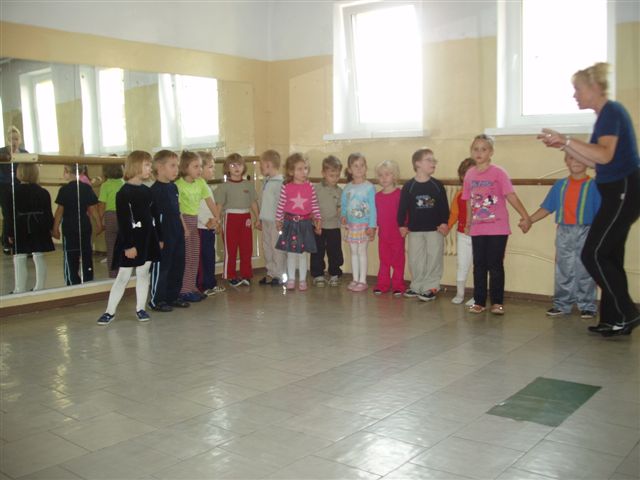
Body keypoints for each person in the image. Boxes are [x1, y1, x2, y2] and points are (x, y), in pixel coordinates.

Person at [538, 62, 640, 337]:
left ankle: (629, 312)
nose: (575, 95)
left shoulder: (611, 112)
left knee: (593, 253)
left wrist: (567, 140)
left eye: (578, 89)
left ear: (594, 88)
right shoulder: (604, 116)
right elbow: (595, 162)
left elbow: (604, 155)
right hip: (616, 190)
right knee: (610, 256)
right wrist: (562, 145)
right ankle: (614, 319)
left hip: (624, 189)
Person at [462, 134, 531, 315]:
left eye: (483, 149)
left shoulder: (499, 173)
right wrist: (468, 223)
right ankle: (479, 301)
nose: (479, 152)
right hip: (478, 228)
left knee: (495, 265)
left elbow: (511, 195)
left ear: (491, 152)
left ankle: (497, 302)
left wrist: (526, 216)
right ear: (471, 151)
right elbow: (468, 200)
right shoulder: (469, 174)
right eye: (475, 149)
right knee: (479, 265)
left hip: (497, 228)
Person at [529, 152, 600, 319]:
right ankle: (562, 304)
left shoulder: (594, 186)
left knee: (586, 268)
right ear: (566, 161)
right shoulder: (560, 185)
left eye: (581, 157)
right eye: (572, 157)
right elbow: (547, 207)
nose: (576, 161)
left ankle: (587, 305)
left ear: (588, 162)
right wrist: (529, 220)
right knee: (563, 268)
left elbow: (602, 212)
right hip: (564, 231)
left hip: (587, 230)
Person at [97, 151, 162, 325]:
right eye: (147, 165)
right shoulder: (123, 193)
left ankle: (141, 308)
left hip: (148, 239)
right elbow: (124, 221)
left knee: (143, 274)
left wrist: (160, 238)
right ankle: (109, 311)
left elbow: (155, 216)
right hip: (131, 240)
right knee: (123, 276)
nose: (150, 168)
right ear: (135, 166)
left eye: (150, 165)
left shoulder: (148, 191)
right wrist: (128, 246)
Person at [398, 148, 449, 302]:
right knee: (415, 258)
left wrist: (444, 222)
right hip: (415, 230)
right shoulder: (409, 186)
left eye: (434, 160)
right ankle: (417, 285)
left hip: (435, 230)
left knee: (434, 257)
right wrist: (401, 225)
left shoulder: (437, 185)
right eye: (429, 160)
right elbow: (402, 207)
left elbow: (444, 206)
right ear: (418, 164)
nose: (433, 163)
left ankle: (431, 286)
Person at [175, 151, 219, 302]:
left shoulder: (200, 183)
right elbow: (177, 209)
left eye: (200, 166)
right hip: (185, 221)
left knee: (194, 257)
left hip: (193, 221)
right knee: (188, 258)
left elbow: (209, 201)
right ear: (185, 167)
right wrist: (185, 228)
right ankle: (184, 290)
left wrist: (217, 218)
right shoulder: (178, 185)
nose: (199, 169)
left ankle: (191, 286)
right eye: (196, 166)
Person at [148, 150, 188, 312]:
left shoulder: (173, 187)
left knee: (178, 264)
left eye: (177, 166)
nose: (176, 170)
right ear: (159, 167)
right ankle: (157, 300)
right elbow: (153, 218)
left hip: (176, 231)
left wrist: (184, 228)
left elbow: (177, 211)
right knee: (162, 266)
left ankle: (173, 296)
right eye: (172, 166)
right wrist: (158, 238)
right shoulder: (154, 191)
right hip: (163, 234)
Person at [275, 153, 321, 291]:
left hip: (305, 224)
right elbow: (281, 205)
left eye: (305, 168)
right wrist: (278, 220)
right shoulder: (287, 187)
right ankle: (291, 279)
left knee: (302, 254)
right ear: (291, 171)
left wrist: (318, 219)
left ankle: (302, 280)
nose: (304, 172)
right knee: (291, 254)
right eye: (300, 169)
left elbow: (314, 205)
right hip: (290, 223)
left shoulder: (310, 186)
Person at [214, 153, 260, 287]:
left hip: (245, 219)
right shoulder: (224, 187)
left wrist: (258, 218)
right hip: (230, 219)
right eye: (233, 165)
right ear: (227, 168)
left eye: (239, 165)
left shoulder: (248, 185)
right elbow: (219, 206)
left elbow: (253, 203)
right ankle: (230, 275)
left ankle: (246, 274)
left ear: (244, 167)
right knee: (231, 249)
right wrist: (217, 221)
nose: (236, 168)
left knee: (247, 248)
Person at [6, 163, 54, 293]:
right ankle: (40, 287)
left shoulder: (13, 192)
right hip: (39, 225)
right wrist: (50, 228)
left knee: (19, 257)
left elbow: (9, 215)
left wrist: (9, 232)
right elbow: (48, 213)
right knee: (39, 255)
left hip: (20, 226)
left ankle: (19, 289)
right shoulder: (43, 192)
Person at [52, 165, 102, 285]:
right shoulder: (86, 188)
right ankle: (88, 279)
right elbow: (93, 209)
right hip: (84, 224)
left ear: (68, 172)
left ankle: (72, 280)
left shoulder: (64, 190)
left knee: (70, 254)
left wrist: (55, 228)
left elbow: (59, 211)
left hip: (69, 225)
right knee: (86, 253)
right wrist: (99, 224)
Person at [341, 153, 376, 292]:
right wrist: (343, 215)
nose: (359, 168)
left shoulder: (369, 187)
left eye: (362, 165)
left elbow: (373, 208)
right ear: (350, 170)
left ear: (366, 167)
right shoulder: (347, 188)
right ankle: (355, 279)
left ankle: (363, 280)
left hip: (364, 226)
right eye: (355, 166)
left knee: (362, 251)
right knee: (353, 252)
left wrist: (372, 226)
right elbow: (344, 205)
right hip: (352, 226)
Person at [310, 155, 344, 287]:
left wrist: (342, 215)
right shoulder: (316, 189)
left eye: (337, 175)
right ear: (323, 173)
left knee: (335, 252)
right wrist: (315, 221)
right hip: (318, 226)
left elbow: (340, 209)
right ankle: (318, 274)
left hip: (334, 226)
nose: (335, 178)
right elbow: (311, 206)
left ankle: (335, 273)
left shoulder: (340, 191)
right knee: (317, 251)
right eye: (331, 175)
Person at [373, 160, 405, 296]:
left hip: (397, 235)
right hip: (383, 236)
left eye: (387, 174)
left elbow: (405, 213)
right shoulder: (377, 197)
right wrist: (372, 228)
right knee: (384, 261)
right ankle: (383, 284)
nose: (384, 178)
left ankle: (398, 285)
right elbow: (375, 216)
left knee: (398, 262)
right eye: (381, 175)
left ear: (394, 176)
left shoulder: (400, 194)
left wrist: (405, 226)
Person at [448, 157, 477, 305]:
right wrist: (447, 227)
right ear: (461, 177)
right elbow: (454, 213)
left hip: (479, 236)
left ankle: (478, 295)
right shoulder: (459, 195)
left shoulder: (481, 194)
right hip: (462, 235)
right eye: (466, 174)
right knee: (462, 264)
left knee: (479, 267)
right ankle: (460, 293)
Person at [196, 151, 225, 296]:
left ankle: (210, 283)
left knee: (210, 255)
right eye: (210, 167)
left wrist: (216, 222)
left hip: (209, 227)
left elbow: (211, 207)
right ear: (200, 169)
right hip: (201, 227)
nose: (213, 170)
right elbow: (195, 208)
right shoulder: (197, 186)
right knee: (202, 257)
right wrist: (205, 221)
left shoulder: (205, 186)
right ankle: (202, 285)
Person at [258, 149, 286, 286]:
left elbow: (283, 203)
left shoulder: (280, 183)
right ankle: (271, 272)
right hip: (266, 220)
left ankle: (279, 274)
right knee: (267, 247)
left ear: (268, 164)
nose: (260, 167)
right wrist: (260, 218)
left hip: (276, 222)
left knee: (277, 248)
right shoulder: (266, 181)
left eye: (262, 165)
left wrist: (280, 219)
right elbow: (263, 202)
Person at [0, 126, 28, 254]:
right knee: (8, 214)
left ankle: (20, 241)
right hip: (4, 186)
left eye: (16, 139)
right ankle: (7, 242)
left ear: (20, 140)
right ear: (7, 140)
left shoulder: (24, 153)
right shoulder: (1, 152)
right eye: (11, 139)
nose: (14, 141)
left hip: (19, 186)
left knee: (19, 213)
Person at [98, 163, 124, 278]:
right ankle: (123, 272)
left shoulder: (105, 185)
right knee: (124, 245)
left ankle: (113, 274)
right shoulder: (124, 183)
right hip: (123, 216)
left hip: (110, 216)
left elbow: (102, 205)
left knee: (111, 246)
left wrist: (100, 220)